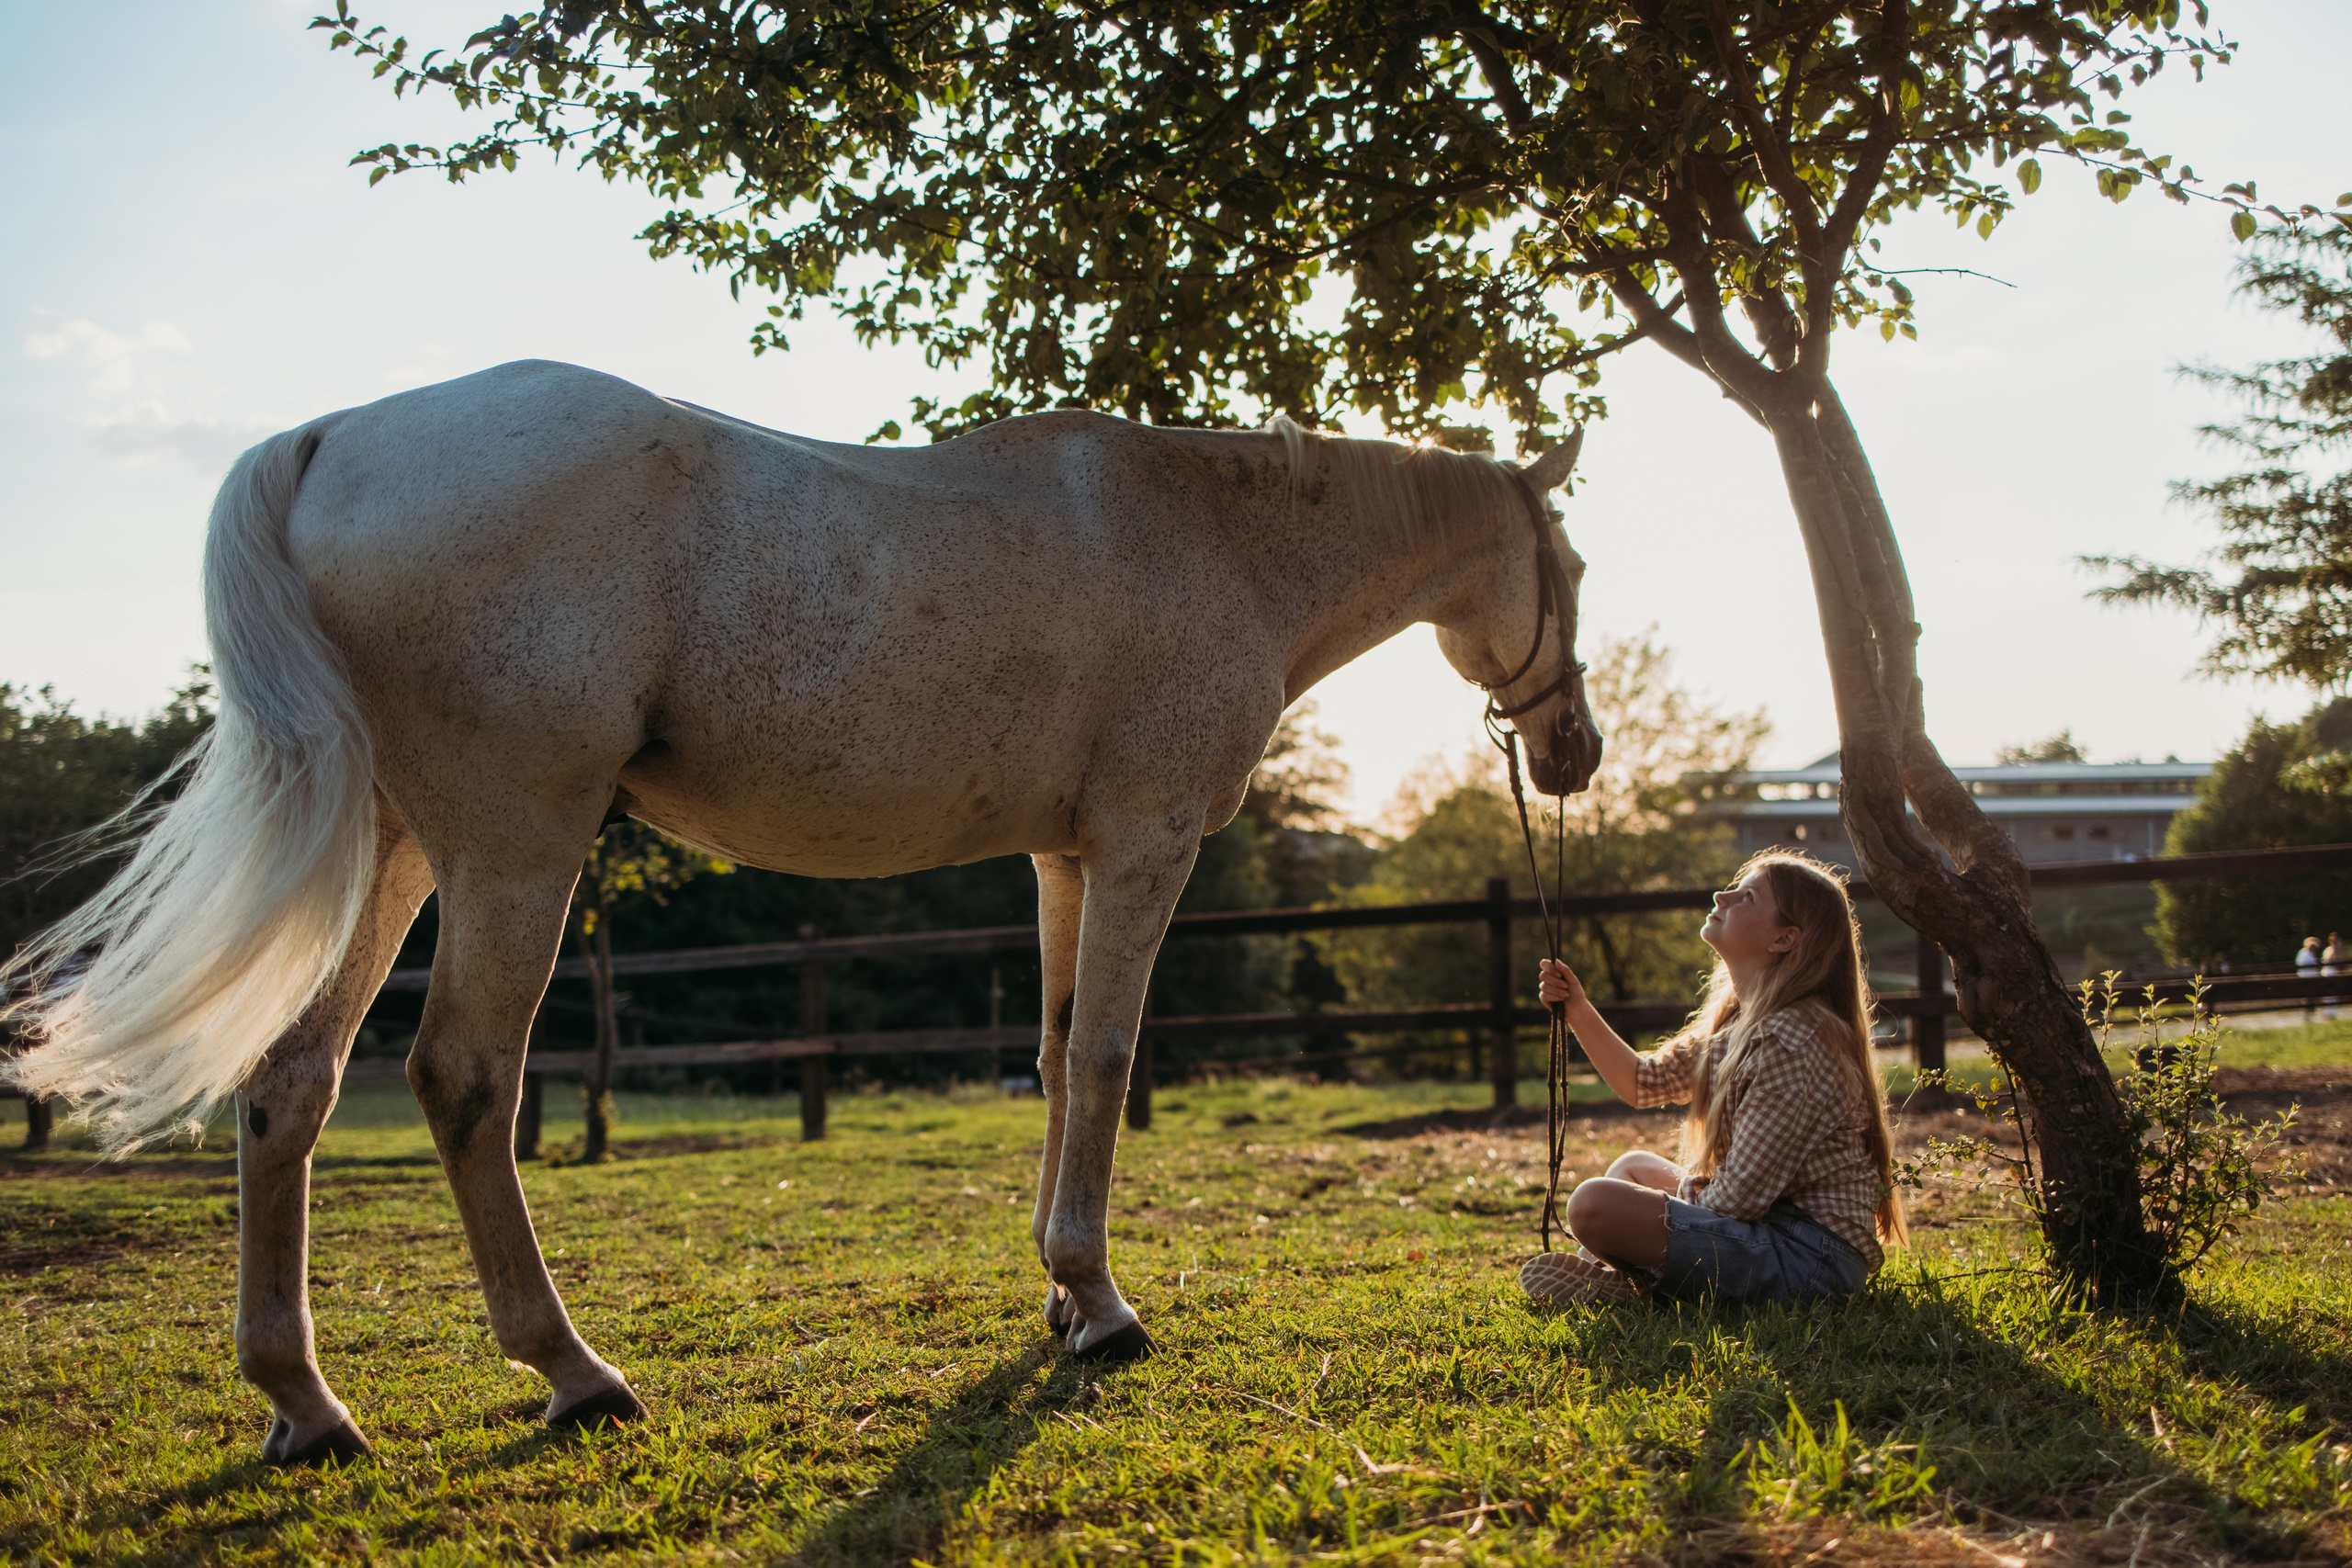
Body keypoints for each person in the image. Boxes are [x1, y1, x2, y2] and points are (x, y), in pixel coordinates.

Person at [1520, 850, 1905, 1306]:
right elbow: (1644, 1081)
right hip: (1768, 1234)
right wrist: (1578, 1008)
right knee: (1632, 1168)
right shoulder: (1741, 1024)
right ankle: (1621, 1281)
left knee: (1593, 1205)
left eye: (1747, 897)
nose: (1723, 895)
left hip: (1810, 1260)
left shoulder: (1793, 1041)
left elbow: (1736, 1201)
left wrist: (1667, 1206)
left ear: (1784, 938)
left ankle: (1633, 1285)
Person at [2301, 937, 2324, 1023]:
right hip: (2310, 981)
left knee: (2310, 999)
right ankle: (2313, 1017)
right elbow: (2314, 970)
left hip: (2305, 980)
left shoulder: (2303, 953)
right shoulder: (2309, 956)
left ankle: (2308, 1017)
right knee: (2315, 998)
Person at [2325, 931, 2346, 1022]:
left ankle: (2329, 1014)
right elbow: (2338, 963)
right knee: (2333, 995)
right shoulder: (2334, 951)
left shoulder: (2327, 949)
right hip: (2332, 973)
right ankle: (2332, 1015)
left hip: (2327, 972)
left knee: (2329, 996)